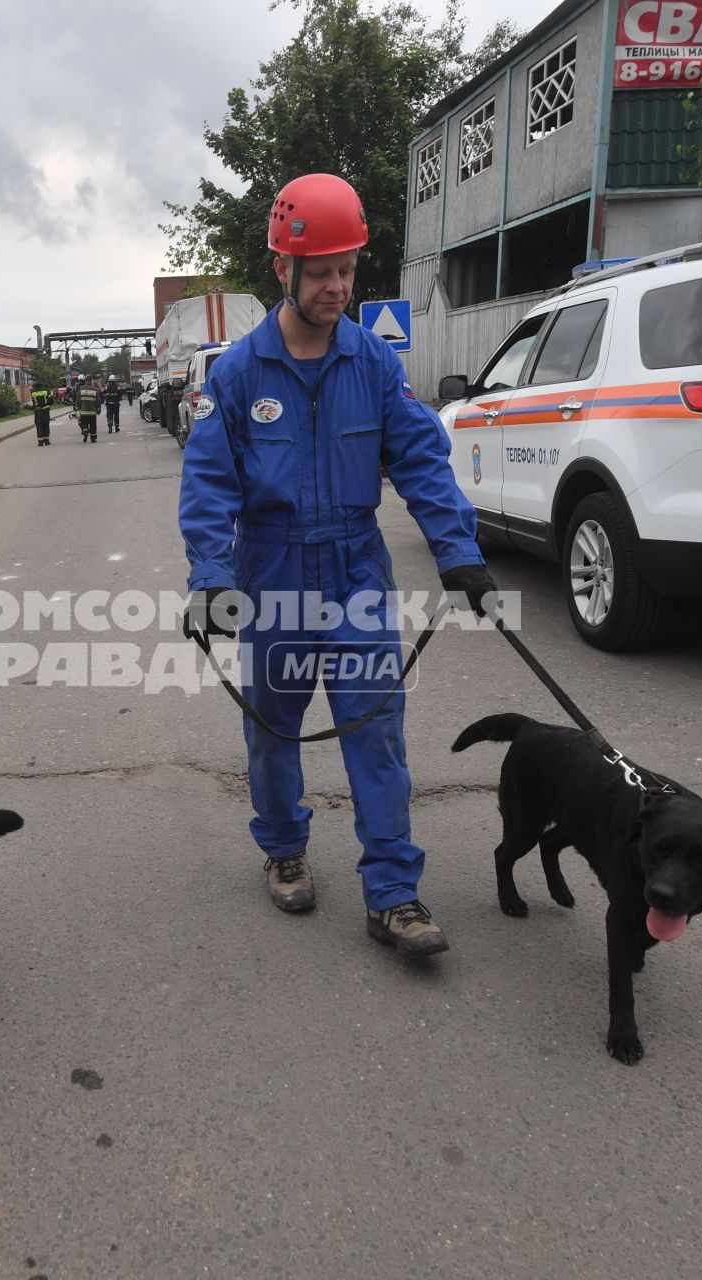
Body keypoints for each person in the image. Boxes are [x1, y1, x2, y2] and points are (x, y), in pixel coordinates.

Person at [177, 173, 495, 959]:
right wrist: (212, 578)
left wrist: (460, 554)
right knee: (274, 729)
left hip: (356, 570)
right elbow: (210, 483)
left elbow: (421, 457)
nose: (337, 285)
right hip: (273, 572)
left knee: (376, 733)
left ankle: (393, 893)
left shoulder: (373, 365)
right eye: (320, 270)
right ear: (283, 270)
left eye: (347, 268)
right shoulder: (240, 374)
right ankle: (284, 845)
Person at [74, 378, 101, 443]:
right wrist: (98, 409)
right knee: (93, 425)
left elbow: (78, 399)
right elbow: (98, 400)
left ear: (85, 381)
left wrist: (77, 407)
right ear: (91, 381)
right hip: (92, 412)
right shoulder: (95, 389)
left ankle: (85, 430)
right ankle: (93, 438)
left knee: (83, 423)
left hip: (83, 411)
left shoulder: (81, 389)